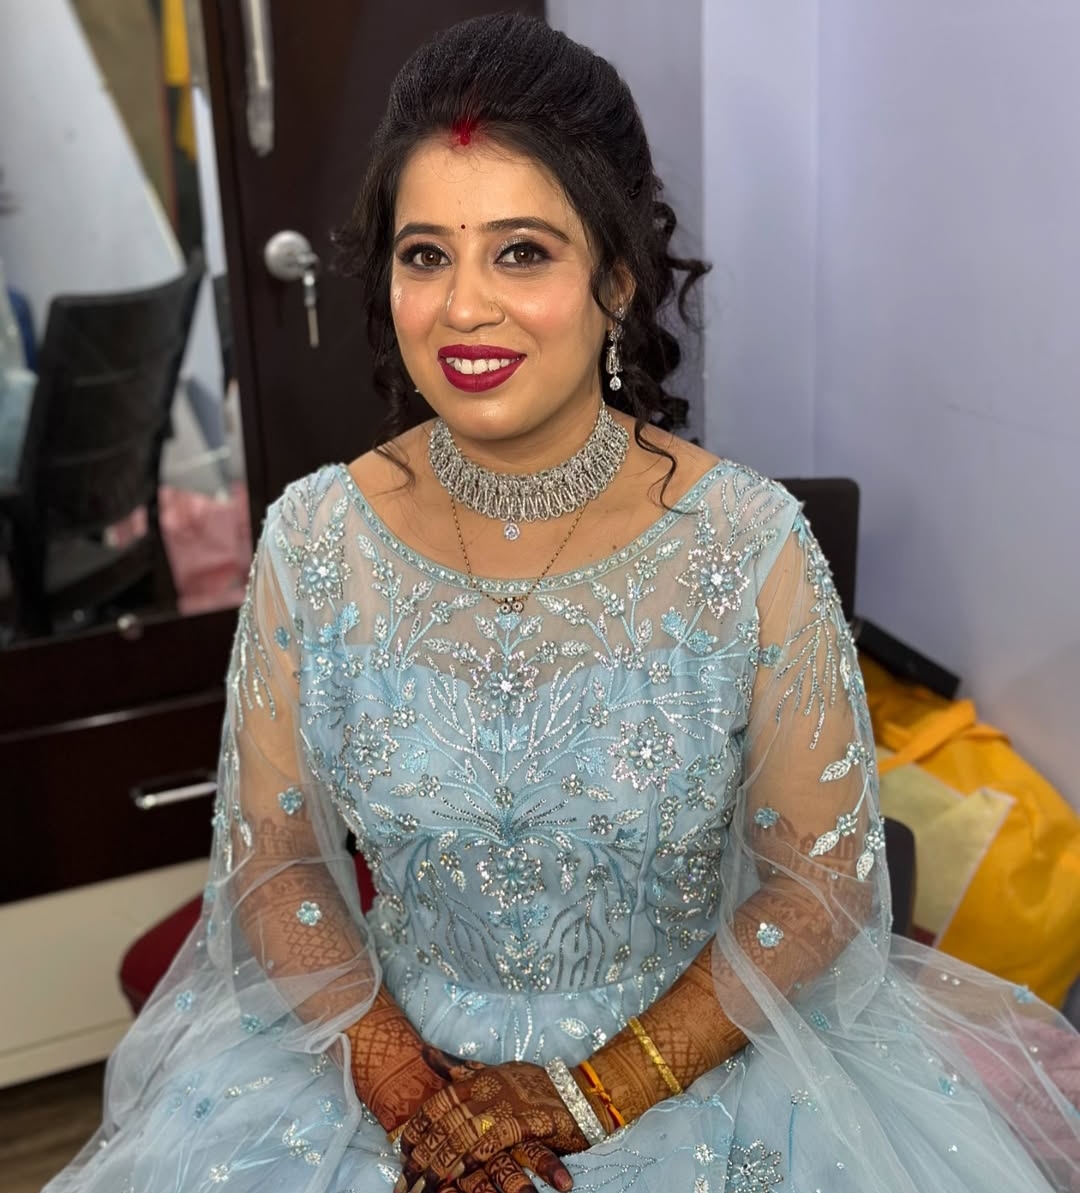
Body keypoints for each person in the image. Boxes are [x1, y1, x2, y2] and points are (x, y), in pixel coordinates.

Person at [47, 14, 1079, 1193]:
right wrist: (410, 1094)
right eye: (425, 255)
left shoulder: (747, 543)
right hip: (395, 1079)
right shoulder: (315, 538)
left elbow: (821, 882)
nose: (463, 307)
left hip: (688, 1072)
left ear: (616, 279)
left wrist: (590, 1094)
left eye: (522, 252)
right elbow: (275, 858)